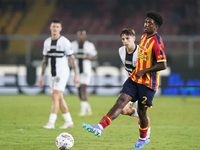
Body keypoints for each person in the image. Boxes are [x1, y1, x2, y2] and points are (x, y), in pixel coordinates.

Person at [82, 11, 167, 149]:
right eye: (145, 22)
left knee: (142, 112)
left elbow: (163, 64)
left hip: (147, 83)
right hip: (134, 79)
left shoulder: (157, 42)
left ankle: (143, 138)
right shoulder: (144, 37)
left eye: (149, 23)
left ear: (156, 26)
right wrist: (136, 72)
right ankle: (100, 126)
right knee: (120, 101)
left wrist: (143, 71)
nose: (146, 24)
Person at [38, 20, 79, 129]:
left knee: (55, 95)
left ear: (60, 29)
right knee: (59, 98)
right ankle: (69, 121)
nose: (55, 28)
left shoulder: (65, 42)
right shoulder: (47, 42)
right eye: (53, 26)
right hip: (52, 74)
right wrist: (42, 76)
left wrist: (76, 74)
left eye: (57, 26)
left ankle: (51, 123)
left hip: (62, 72)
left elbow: (72, 58)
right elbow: (45, 60)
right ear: (50, 28)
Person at [119, 28, 151, 140]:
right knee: (123, 109)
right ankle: (140, 116)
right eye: (123, 39)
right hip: (131, 85)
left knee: (142, 111)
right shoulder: (121, 51)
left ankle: (146, 137)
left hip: (142, 86)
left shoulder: (141, 52)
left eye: (127, 38)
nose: (125, 41)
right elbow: (127, 68)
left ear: (134, 38)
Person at [71, 30, 98, 116]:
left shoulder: (89, 45)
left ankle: (83, 110)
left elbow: (95, 57)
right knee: (79, 89)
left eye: (82, 35)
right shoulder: (73, 45)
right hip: (77, 70)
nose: (81, 37)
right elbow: (69, 56)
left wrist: (88, 57)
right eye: (80, 35)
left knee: (83, 88)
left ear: (85, 36)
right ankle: (86, 105)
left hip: (86, 70)